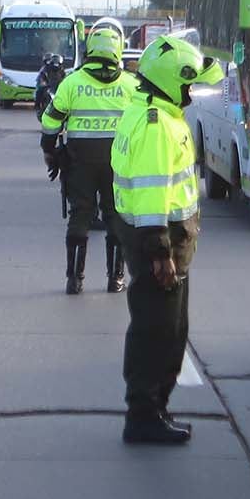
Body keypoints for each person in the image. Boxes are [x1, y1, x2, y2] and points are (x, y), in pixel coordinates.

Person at [111, 34, 222, 444]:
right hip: (160, 245)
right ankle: (144, 415)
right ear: (173, 80)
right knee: (159, 332)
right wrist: (160, 253)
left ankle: (152, 408)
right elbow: (153, 192)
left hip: (161, 242)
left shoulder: (148, 111)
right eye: (189, 83)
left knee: (164, 329)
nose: (192, 91)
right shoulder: (157, 126)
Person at [40, 26, 136, 294]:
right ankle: (115, 279)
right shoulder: (131, 85)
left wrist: (49, 151)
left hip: (79, 161)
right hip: (117, 162)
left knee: (80, 215)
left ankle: (74, 279)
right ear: (117, 51)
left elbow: (50, 121)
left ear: (89, 49)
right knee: (114, 216)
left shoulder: (72, 82)